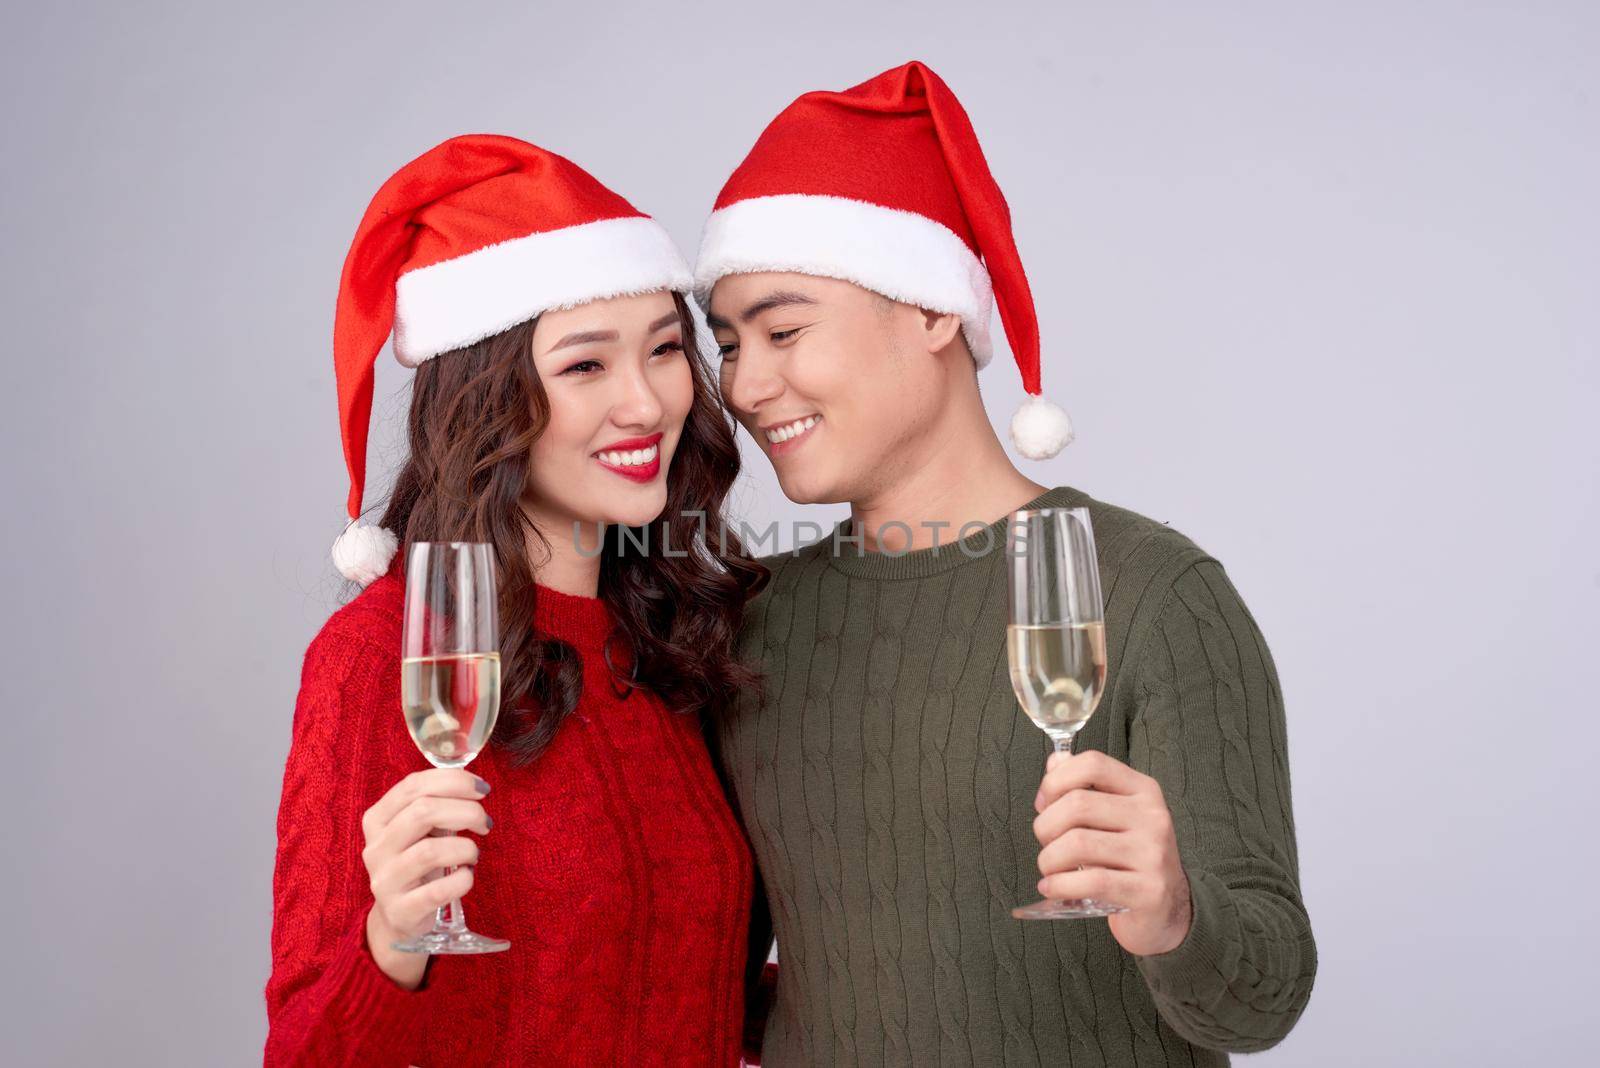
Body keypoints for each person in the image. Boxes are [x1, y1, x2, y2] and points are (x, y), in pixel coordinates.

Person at [698, 61, 1317, 1066]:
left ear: (933, 311)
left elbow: (1263, 998)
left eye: (782, 330)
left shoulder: (1154, 592)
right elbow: (725, 981)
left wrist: (1173, 916)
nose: (746, 383)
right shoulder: (758, 624)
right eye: (726, 344)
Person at [265, 134, 765, 1066]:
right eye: (585, 366)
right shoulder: (382, 657)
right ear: (490, 404)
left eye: (664, 351)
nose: (647, 403)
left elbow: (679, 982)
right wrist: (393, 943)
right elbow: (301, 1052)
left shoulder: (673, 642)